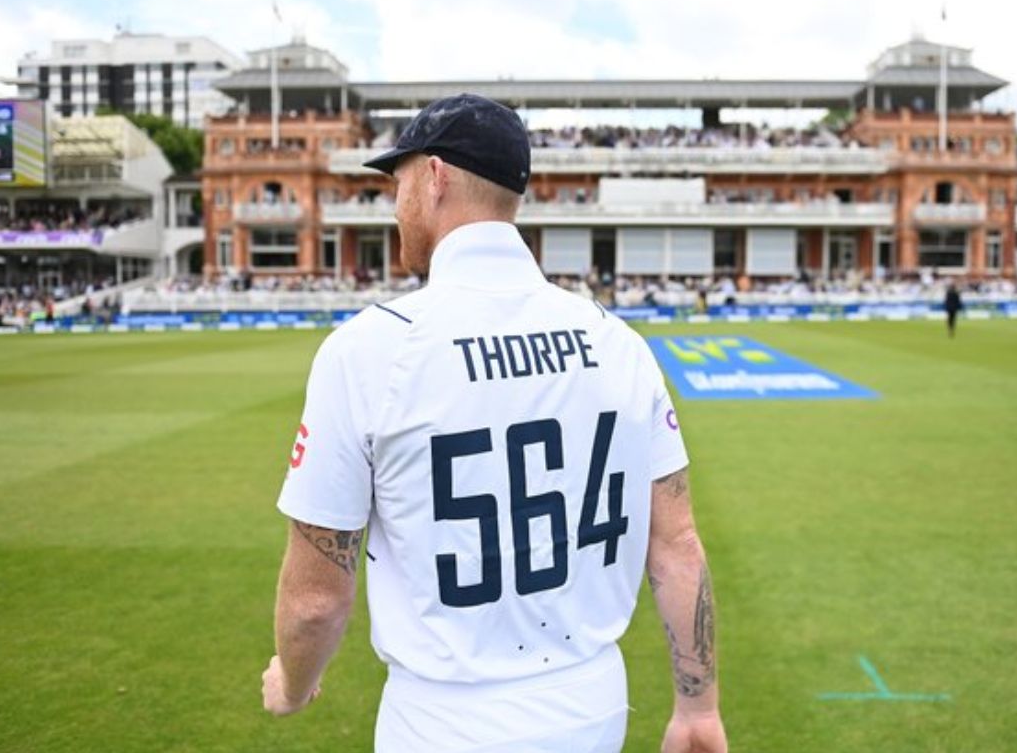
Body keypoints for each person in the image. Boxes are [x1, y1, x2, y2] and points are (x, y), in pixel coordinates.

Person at [261, 94, 726, 753]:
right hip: (593, 705)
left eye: (398, 183)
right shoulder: (617, 341)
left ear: (434, 176)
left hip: (444, 721)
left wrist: (292, 684)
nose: (395, 206)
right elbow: (677, 546)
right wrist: (698, 707)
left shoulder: (367, 350)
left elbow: (316, 601)